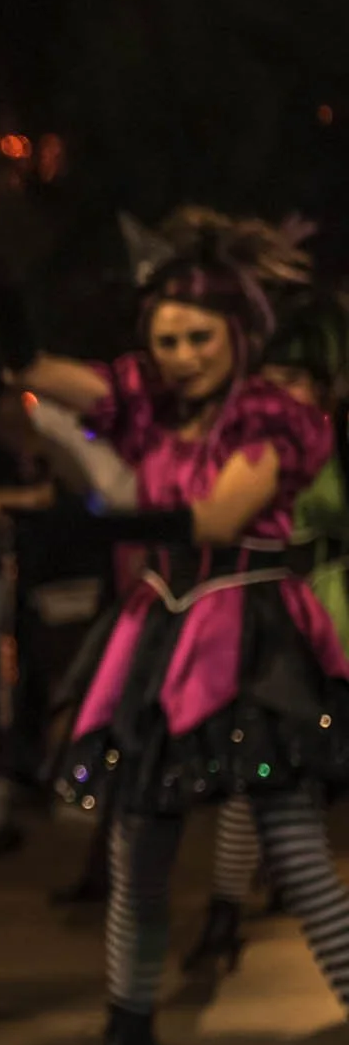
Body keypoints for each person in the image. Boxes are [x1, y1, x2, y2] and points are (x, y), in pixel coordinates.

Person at [0, 209, 349, 1045]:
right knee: (136, 850)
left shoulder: (271, 414)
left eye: (198, 336)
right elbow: (50, 377)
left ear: (239, 333)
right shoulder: (149, 403)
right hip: (161, 639)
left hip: (249, 640)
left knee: (295, 845)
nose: (181, 354)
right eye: (164, 340)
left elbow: (216, 521)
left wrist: (79, 529)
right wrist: (4, 309)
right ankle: (130, 1040)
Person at [182, 290, 349, 977]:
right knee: (263, 778)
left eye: (296, 377)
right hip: (283, 623)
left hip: (324, 618)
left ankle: (231, 911)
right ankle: (225, 909)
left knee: (275, 784)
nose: (282, 388)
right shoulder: (260, 441)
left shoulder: (319, 438)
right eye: (274, 376)